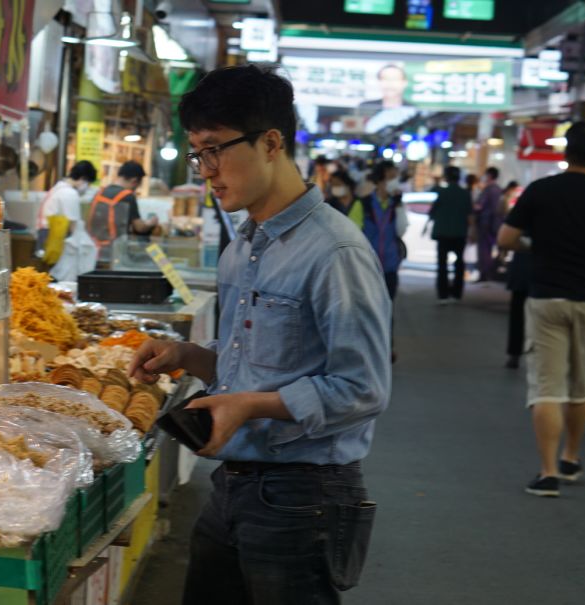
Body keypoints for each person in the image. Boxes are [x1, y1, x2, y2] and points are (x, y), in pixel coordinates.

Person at [129, 64, 390, 604]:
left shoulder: (334, 252)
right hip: (235, 483)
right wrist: (187, 355)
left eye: (215, 150)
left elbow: (363, 388)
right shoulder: (243, 245)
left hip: (306, 495)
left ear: (271, 142)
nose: (206, 169)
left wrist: (248, 405)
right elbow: (248, 355)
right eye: (198, 153)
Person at [497, 120, 585, 498]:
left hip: (546, 299)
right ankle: (572, 457)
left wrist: (536, 246)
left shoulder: (541, 191)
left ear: (565, 151)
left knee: (547, 387)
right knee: (583, 386)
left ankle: (548, 472)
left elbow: (506, 238)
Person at [86, 160, 157, 264]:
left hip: (94, 249)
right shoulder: (127, 196)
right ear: (134, 181)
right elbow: (139, 227)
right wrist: (151, 223)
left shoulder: (100, 192)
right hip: (116, 252)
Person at [362, 160, 408, 300]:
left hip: (390, 267)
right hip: (366, 267)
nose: (394, 182)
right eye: (391, 178)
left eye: (395, 178)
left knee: (387, 310)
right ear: (380, 180)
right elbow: (352, 232)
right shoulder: (364, 203)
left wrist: (399, 205)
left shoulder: (396, 204)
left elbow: (401, 230)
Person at [429, 166, 473, 304]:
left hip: (443, 233)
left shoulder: (441, 191)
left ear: (446, 176)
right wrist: (472, 231)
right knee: (459, 263)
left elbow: (432, 210)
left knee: (442, 264)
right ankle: (456, 293)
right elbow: (470, 215)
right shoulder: (465, 193)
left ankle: (443, 294)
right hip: (460, 232)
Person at [474, 167, 503, 281]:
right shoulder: (499, 189)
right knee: (490, 249)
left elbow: (479, 206)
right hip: (496, 224)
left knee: (484, 250)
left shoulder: (488, 190)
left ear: (489, 176)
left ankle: (484, 274)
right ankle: (490, 273)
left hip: (485, 223)